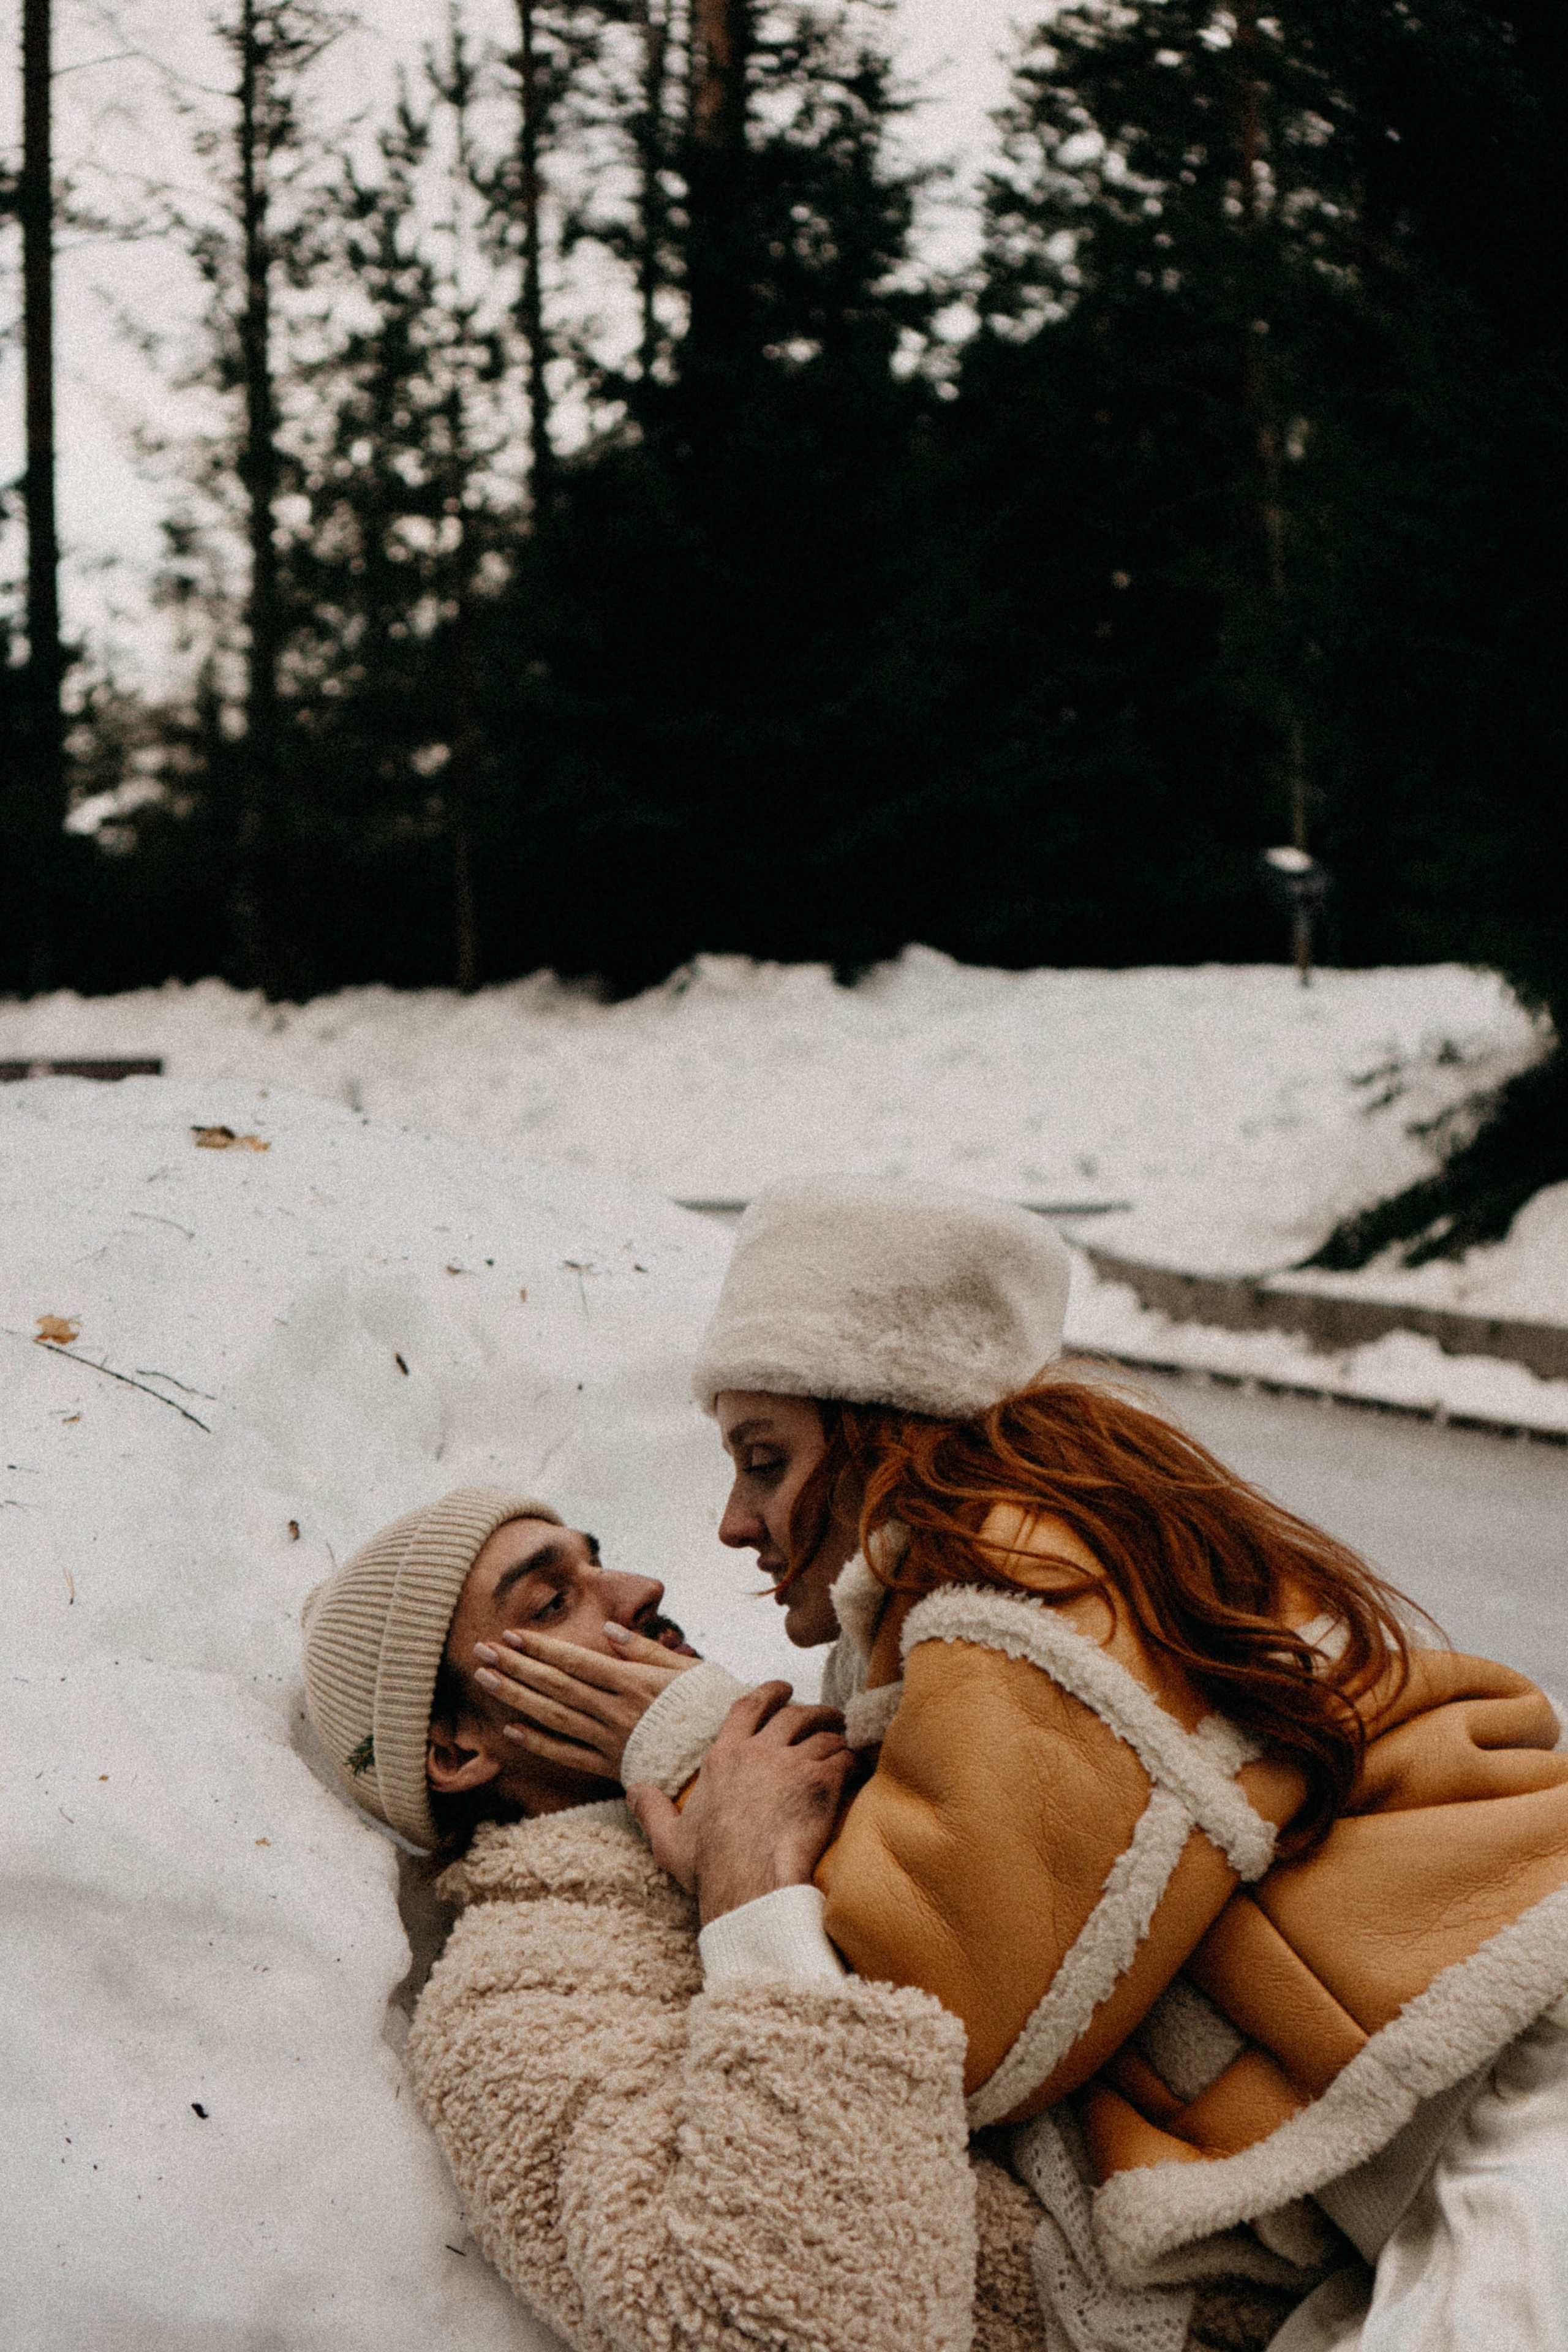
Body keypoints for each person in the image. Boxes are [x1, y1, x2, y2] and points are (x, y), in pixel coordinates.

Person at [506, 1175, 1568, 2351]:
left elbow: (938, 2018)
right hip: (1465, 2072)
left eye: (765, 1460)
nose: (732, 1521)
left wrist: (710, 1759)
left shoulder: (1019, 1579)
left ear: (883, 1426)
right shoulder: (983, 1577)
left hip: (1513, 2085)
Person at [299, 1485, 1068, 2352]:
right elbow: (789, 2330)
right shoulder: (511, 2007)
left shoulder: (835, 1765)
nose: (641, 1588)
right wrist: (751, 1897)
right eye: (554, 1601)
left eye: (599, 1559)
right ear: (458, 1748)